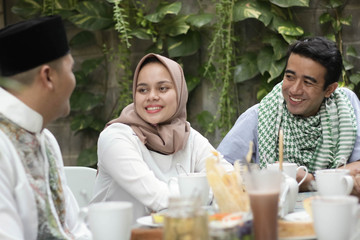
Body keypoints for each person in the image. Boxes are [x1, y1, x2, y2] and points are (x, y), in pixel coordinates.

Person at [90, 53, 233, 219]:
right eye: (143, 90)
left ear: (180, 92)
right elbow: (159, 199)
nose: (152, 96)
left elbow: (229, 180)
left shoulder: (187, 136)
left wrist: (207, 190)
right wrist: (207, 191)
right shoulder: (116, 138)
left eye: (162, 88)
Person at [218, 36, 360, 194]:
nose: (294, 90)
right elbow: (220, 171)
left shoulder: (346, 106)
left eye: (308, 82)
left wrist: (311, 180)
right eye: (290, 77)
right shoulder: (259, 117)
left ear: (329, 90)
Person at [0, 16, 91, 239]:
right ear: (48, 76)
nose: (74, 79)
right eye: (71, 69)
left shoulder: (46, 140)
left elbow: (71, 228)